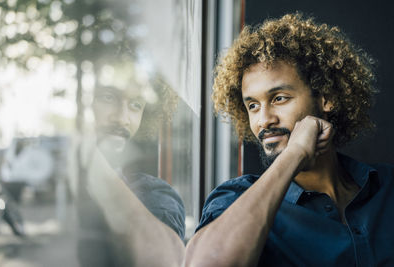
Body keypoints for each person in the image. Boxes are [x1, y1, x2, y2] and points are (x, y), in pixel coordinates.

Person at [184, 13, 394, 266]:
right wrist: (295, 154)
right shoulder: (235, 199)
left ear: (327, 98)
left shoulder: (387, 187)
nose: (264, 120)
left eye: (279, 98)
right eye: (252, 105)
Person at [75, 60, 185, 267]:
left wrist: (91, 157)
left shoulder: (154, 195)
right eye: (108, 98)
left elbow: (166, 260)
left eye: (136, 105)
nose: (122, 118)